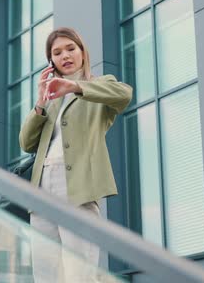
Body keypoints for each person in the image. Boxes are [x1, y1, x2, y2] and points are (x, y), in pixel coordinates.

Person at [19, 27, 132, 282]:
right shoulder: (51, 99)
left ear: (82, 52)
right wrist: (40, 101)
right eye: (57, 52)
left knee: (79, 273)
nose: (65, 56)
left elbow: (124, 95)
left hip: (77, 187)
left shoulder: (98, 86)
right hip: (42, 189)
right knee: (46, 274)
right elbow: (26, 143)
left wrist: (74, 86)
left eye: (71, 48)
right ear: (51, 61)